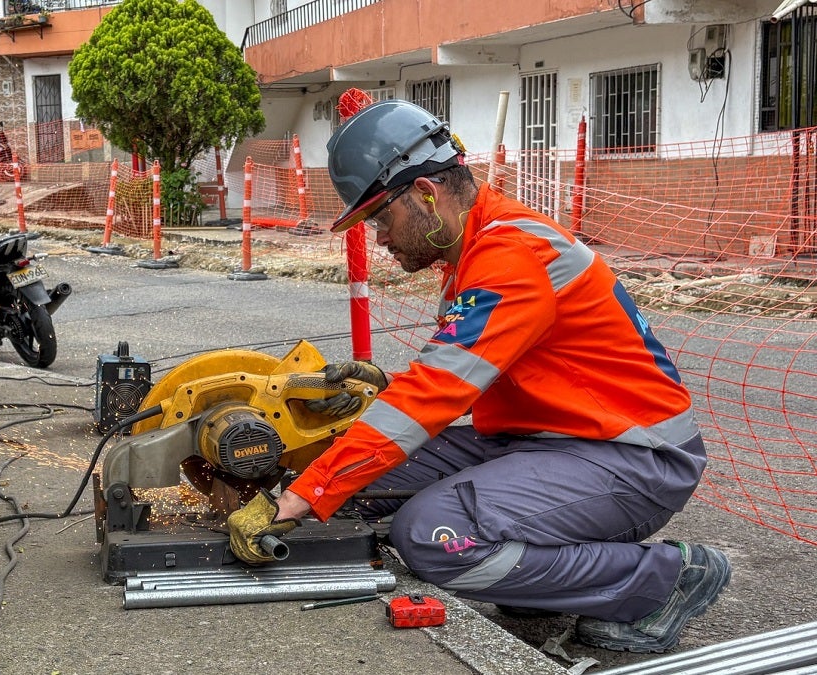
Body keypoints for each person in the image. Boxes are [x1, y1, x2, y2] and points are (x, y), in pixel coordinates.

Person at [226, 99, 731, 654]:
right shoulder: (476, 249)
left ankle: (663, 581)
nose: (380, 239)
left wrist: (300, 497)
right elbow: (460, 379)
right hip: (543, 440)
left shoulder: (512, 257)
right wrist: (374, 394)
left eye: (380, 218)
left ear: (424, 195)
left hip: (632, 457)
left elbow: (438, 391)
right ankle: (551, 575)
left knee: (430, 538)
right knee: (355, 487)